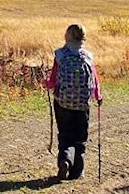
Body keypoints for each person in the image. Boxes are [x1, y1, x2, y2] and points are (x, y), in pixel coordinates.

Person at [44, 23, 103, 180]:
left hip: (62, 101)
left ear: (67, 36)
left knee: (65, 134)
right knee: (80, 136)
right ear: (83, 37)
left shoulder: (60, 55)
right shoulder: (88, 56)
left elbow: (53, 79)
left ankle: (64, 160)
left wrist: (47, 84)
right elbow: (95, 79)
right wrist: (98, 95)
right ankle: (77, 171)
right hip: (83, 103)